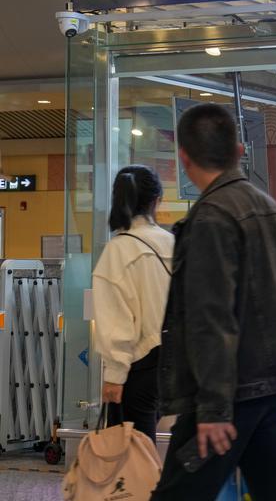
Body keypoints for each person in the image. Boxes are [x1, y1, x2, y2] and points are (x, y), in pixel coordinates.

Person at [151, 103, 276, 501]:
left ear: (184, 158)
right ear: (240, 151)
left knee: (179, 494)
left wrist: (212, 408)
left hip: (230, 392)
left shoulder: (211, 218)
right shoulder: (273, 211)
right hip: (272, 384)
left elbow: (210, 318)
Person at [92, 165, 173, 443]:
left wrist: (114, 375)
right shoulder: (172, 243)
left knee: (130, 452)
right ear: (157, 201)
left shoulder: (118, 251)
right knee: (142, 446)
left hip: (138, 364)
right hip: (172, 360)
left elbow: (116, 319)